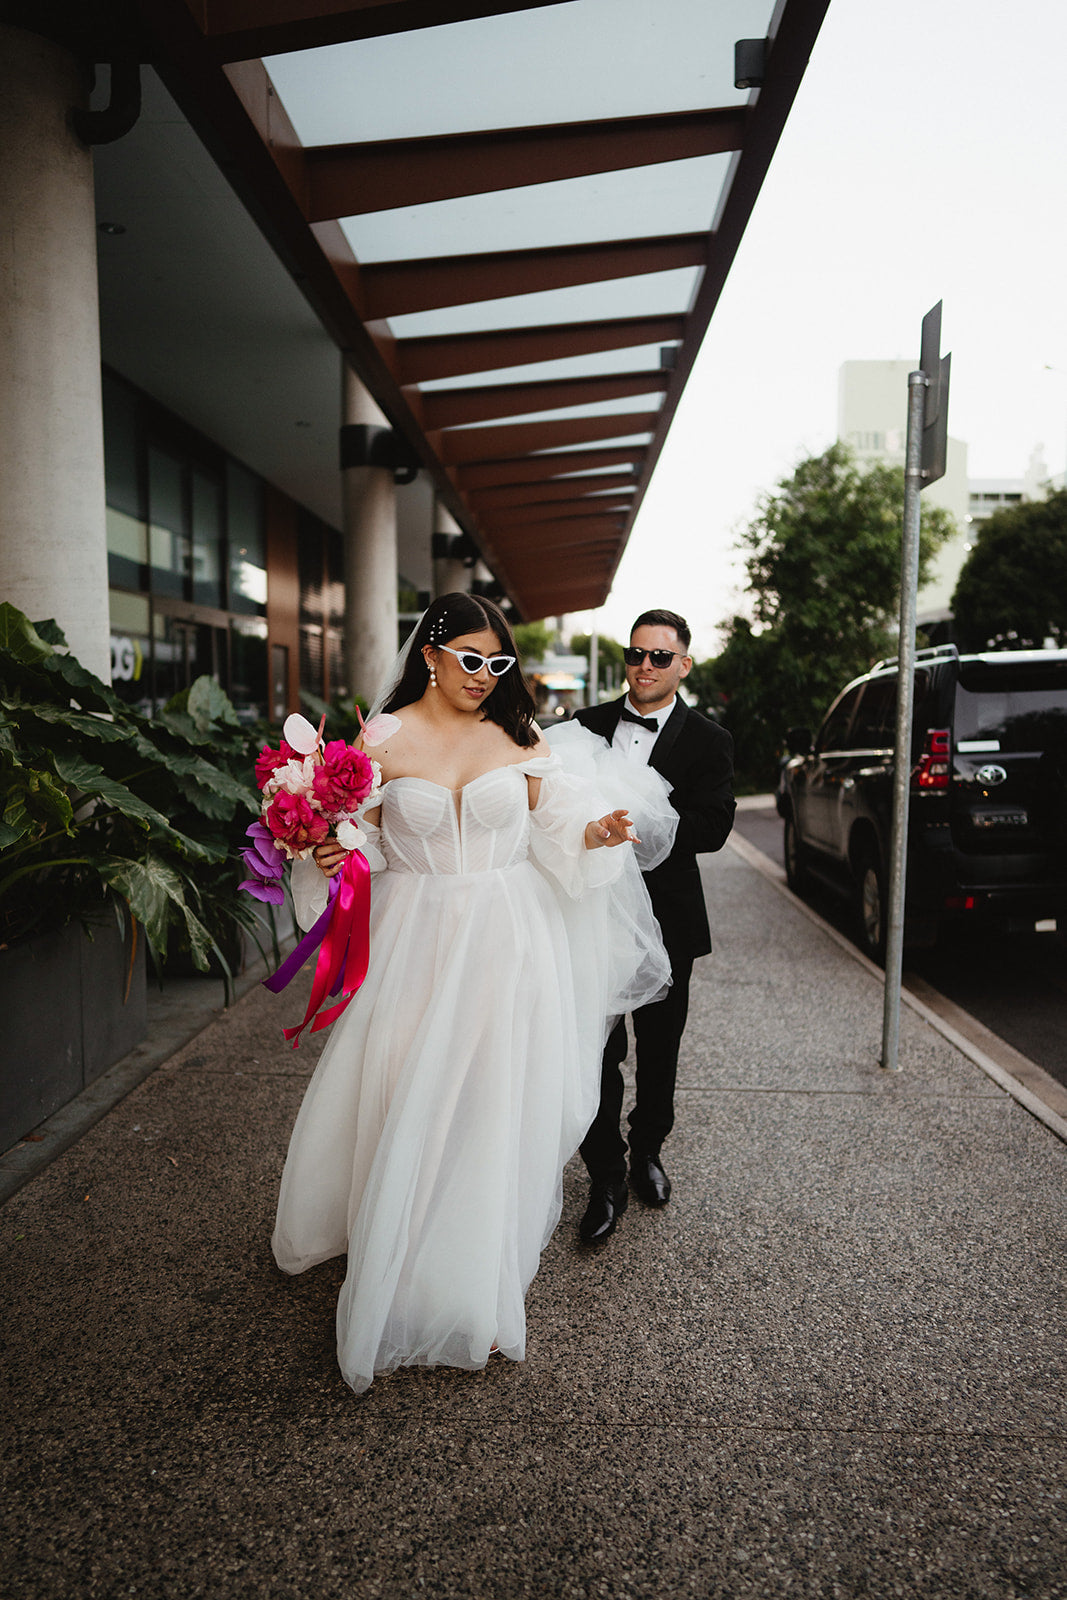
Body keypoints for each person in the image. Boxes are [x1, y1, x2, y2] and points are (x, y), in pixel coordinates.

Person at [271, 593, 672, 1393]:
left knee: (486, 1105)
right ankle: (394, 1238)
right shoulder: (378, 741)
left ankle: (468, 1292)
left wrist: (595, 834)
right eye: (470, 660)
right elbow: (368, 848)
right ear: (430, 654)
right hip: (414, 942)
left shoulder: (515, 736)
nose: (485, 677)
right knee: (407, 1090)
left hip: (503, 941)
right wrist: (326, 853)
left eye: (499, 664)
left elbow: (558, 827)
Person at [572, 609, 735, 1244]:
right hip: (592, 915)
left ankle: (647, 1153)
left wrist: (638, 826)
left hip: (669, 919)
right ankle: (604, 1175)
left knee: (659, 1047)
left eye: (659, 657)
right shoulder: (585, 727)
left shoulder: (709, 739)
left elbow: (715, 826)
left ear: (683, 665)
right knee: (598, 1051)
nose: (644, 665)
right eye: (635, 654)